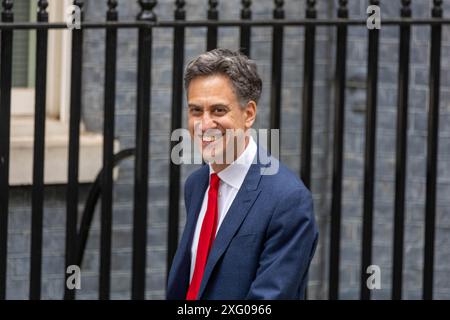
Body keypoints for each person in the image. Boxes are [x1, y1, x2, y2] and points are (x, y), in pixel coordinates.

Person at [167, 48, 318, 300]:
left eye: (218, 111)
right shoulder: (196, 184)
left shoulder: (288, 200)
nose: (204, 125)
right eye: (196, 111)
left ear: (248, 114)